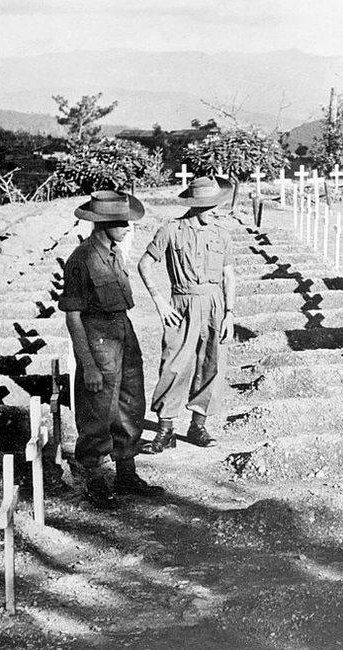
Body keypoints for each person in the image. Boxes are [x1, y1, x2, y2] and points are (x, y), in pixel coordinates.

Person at [59, 190, 164, 509]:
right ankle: (94, 480)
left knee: (131, 402)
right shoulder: (81, 259)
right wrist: (87, 364)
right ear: (103, 224)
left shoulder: (115, 253)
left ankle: (126, 474)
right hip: (97, 337)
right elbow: (73, 317)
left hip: (122, 331)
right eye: (121, 222)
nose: (127, 227)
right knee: (98, 410)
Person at [137, 176, 237, 453]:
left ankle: (198, 426)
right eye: (209, 205)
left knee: (212, 364)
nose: (216, 210)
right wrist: (160, 303)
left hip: (215, 305)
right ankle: (165, 430)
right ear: (194, 206)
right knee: (174, 365)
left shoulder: (222, 233)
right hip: (182, 304)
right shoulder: (171, 230)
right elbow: (144, 265)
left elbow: (229, 276)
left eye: (217, 204)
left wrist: (229, 313)